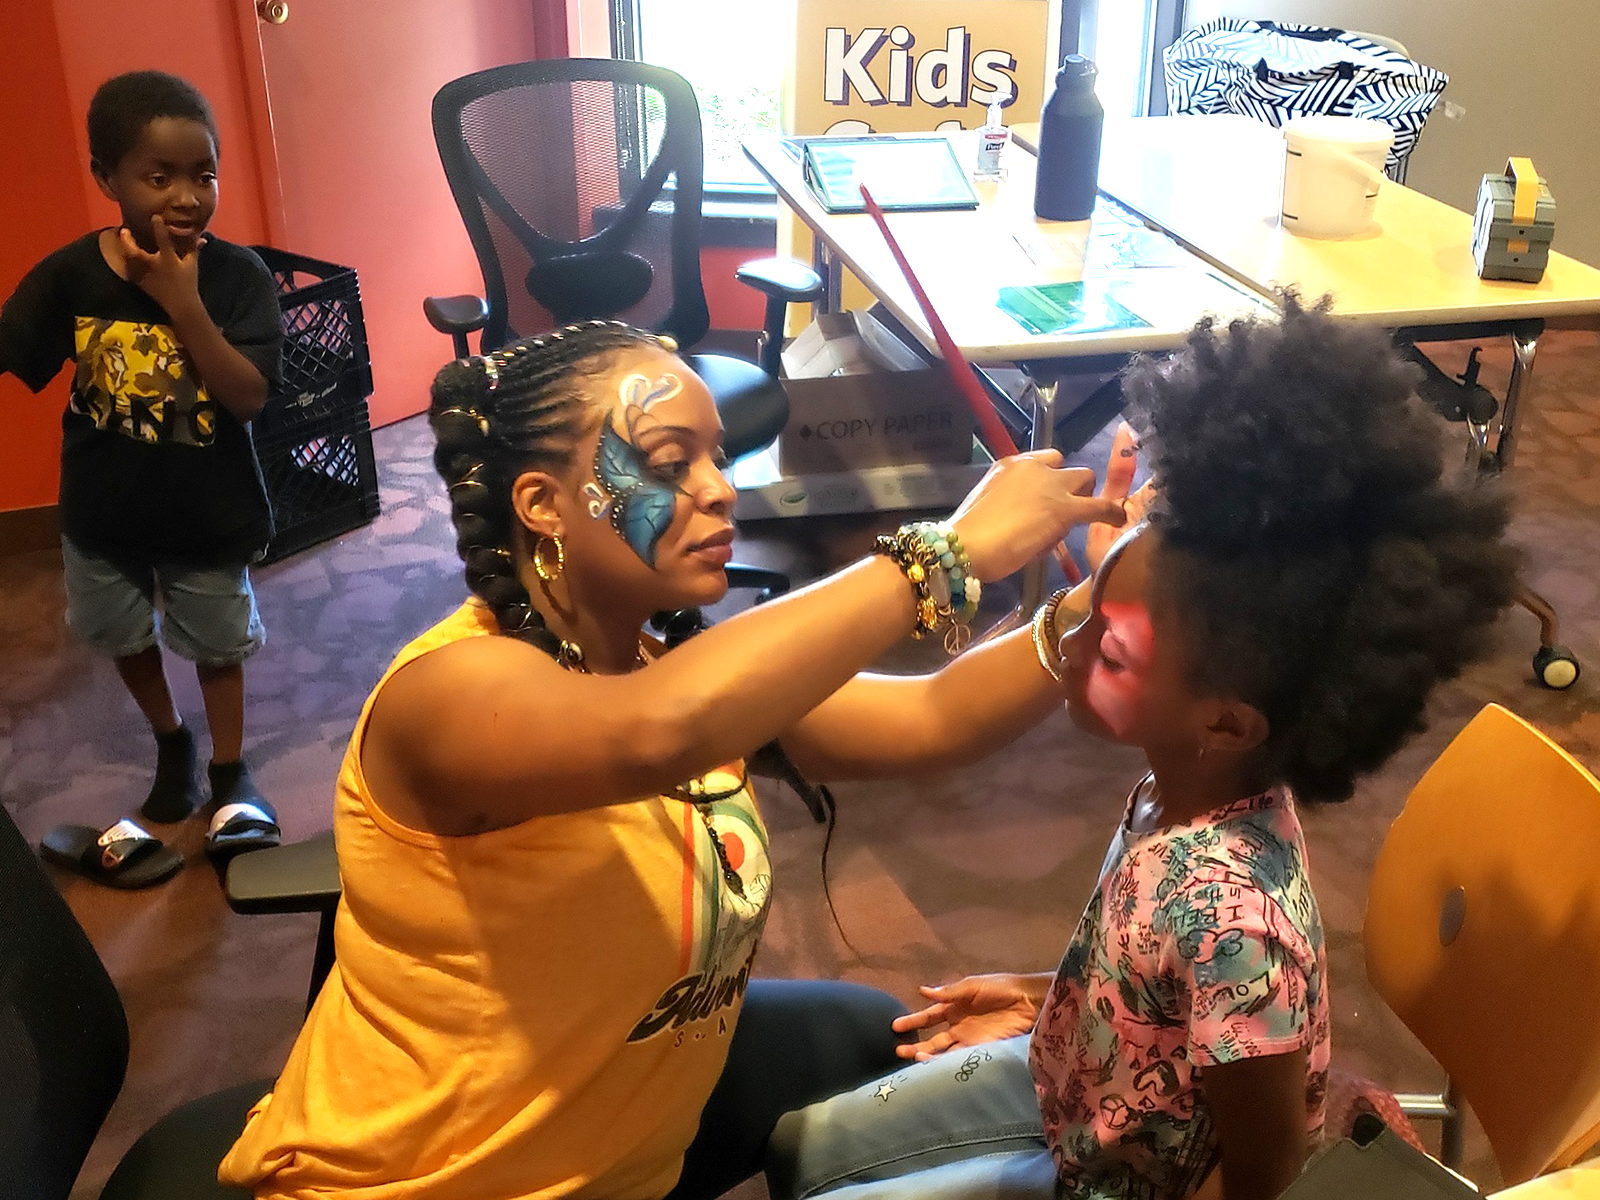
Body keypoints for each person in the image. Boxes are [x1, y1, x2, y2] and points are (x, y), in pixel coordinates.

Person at [218, 319, 1130, 1200]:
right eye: (667, 465)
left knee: (867, 1032)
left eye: (716, 459)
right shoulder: (451, 695)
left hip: (612, 1149)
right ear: (542, 504)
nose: (720, 490)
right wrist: (944, 550)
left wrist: (1105, 591)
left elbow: (935, 716)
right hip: (422, 1183)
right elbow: (655, 733)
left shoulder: (664, 671)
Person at [765, 299, 1519, 1200]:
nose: (1068, 649)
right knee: (800, 1145)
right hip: (1080, 1082)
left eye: (1110, 646)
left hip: (1127, 1181)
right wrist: (1050, 993)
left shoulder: (1238, 930)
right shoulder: (1185, 784)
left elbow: (1265, 1170)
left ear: (1226, 723)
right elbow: (1156, 980)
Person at [0, 70, 285, 884]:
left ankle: (229, 770)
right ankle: (172, 741)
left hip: (207, 512)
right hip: (103, 515)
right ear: (108, 178)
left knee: (218, 645)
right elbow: (13, 346)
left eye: (204, 175)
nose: (187, 197)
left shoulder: (238, 279)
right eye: (159, 178)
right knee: (123, 636)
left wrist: (182, 303)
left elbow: (247, 397)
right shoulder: (72, 275)